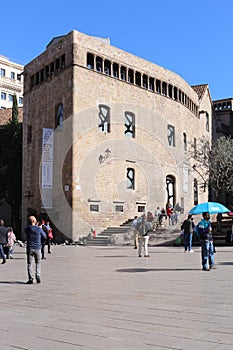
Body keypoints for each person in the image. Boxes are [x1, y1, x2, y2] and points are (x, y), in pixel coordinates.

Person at [25, 216, 47, 284]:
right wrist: (40, 228)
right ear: (35, 221)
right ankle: (38, 275)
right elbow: (45, 236)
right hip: (37, 248)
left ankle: (30, 278)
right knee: (38, 263)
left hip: (30, 248)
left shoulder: (27, 229)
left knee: (29, 264)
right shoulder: (39, 229)